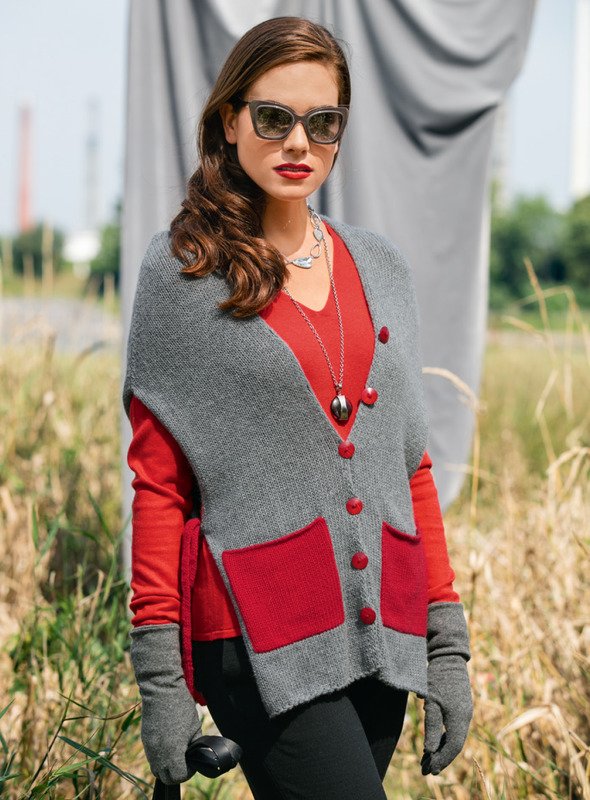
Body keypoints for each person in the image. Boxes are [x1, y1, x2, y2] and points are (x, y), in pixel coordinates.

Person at [123, 16, 473, 800]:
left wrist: (447, 647)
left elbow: (409, 465)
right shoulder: (185, 274)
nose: (298, 143)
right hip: (257, 634)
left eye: (323, 123)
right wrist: (161, 682)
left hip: (381, 627)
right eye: (274, 117)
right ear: (230, 120)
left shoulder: (381, 267)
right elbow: (158, 486)